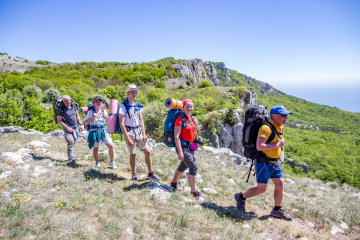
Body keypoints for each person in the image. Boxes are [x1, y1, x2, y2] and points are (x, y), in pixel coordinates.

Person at [234, 105, 293, 221]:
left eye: (286, 115)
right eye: (283, 115)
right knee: (261, 189)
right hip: (263, 163)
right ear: (274, 116)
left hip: (275, 163)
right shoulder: (266, 128)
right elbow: (259, 146)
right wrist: (277, 145)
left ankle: (277, 210)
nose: (286, 118)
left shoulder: (279, 126)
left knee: (280, 184)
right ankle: (240, 197)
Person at [119, 84, 161, 181]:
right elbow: (121, 123)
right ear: (128, 93)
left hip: (138, 132)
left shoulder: (137, 105)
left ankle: (150, 173)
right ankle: (134, 174)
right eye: (133, 92)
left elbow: (141, 120)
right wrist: (127, 138)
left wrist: (144, 134)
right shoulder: (123, 106)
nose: (135, 94)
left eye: (136, 92)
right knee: (133, 154)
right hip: (129, 132)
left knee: (147, 151)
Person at [169, 99, 203, 198]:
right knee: (193, 167)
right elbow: (176, 136)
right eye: (187, 106)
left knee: (183, 166)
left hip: (190, 147)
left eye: (191, 106)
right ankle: (194, 192)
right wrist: (180, 152)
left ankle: (173, 183)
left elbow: (192, 132)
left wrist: (196, 125)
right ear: (183, 107)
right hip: (183, 147)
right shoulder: (180, 119)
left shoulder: (192, 118)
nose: (189, 108)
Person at [84, 96, 116, 168]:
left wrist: (107, 117)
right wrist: (92, 117)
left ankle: (112, 162)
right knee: (96, 148)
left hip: (104, 130)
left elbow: (108, 122)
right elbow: (86, 123)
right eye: (97, 101)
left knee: (111, 146)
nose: (98, 103)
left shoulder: (104, 111)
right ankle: (97, 162)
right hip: (94, 131)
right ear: (94, 103)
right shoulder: (90, 112)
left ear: (101, 103)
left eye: (100, 101)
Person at [57, 95, 84, 165]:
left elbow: (77, 115)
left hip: (75, 128)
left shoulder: (73, 106)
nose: (68, 102)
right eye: (66, 101)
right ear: (63, 101)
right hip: (67, 129)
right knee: (71, 142)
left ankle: (70, 157)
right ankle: (72, 158)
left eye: (69, 100)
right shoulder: (61, 109)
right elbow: (59, 121)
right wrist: (67, 128)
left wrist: (80, 124)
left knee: (73, 142)